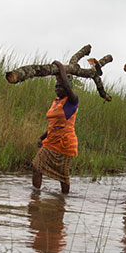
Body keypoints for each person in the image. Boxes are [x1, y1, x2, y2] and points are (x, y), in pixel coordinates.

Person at [31, 61, 79, 194]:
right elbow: (54, 124)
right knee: (36, 166)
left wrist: (60, 67)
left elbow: (68, 87)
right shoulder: (56, 102)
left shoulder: (72, 101)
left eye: (60, 87)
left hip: (65, 143)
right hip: (51, 141)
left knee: (63, 175)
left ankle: (64, 200)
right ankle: (35, 195)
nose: (57, 89)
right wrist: (42, 137)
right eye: (56, 87)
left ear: (67, 88)